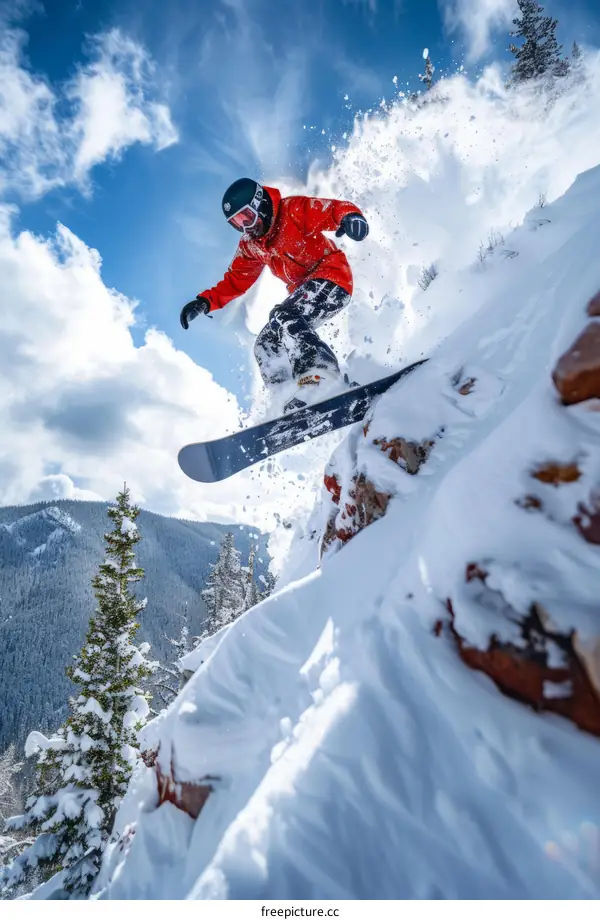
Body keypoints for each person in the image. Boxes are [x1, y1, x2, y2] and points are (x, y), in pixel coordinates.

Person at [180, 178, 369, 412]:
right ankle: (287, 396)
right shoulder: (252, 245)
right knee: (266, 343)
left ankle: (322, 377)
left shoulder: (292, 211)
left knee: (284, 314)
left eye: (247, 217)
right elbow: (236, 280)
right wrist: (204, 302)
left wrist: (350, 217)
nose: (246, 227)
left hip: (332, 279)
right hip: (303, 293)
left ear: (260, 203)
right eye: (237, 223)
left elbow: (331, 210)